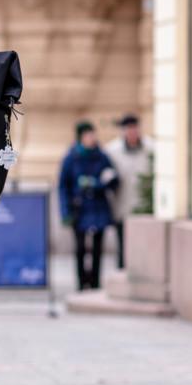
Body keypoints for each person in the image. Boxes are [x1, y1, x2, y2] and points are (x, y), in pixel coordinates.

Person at [58, 121, 118, 291]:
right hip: (79, 209)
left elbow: (112, 180)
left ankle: (95, 282)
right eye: (88, 135)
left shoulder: (102, 156)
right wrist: (65, 212)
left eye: (93, 134)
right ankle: (81, 282)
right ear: (80, 138)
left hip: (99, 208)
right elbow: (63, 187)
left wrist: (95, 184)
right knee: (80, 248)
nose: (91, 138)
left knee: (98, 249)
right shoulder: (71, 158)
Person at [103, 114, 152, 269]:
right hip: (122, 208)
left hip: (145, 209)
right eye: (128, 129)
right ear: (123, 131)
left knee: (145, 248)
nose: (132, 132)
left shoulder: (151, 148)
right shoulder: (112, 151)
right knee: (123, 248)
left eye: (134, 128)